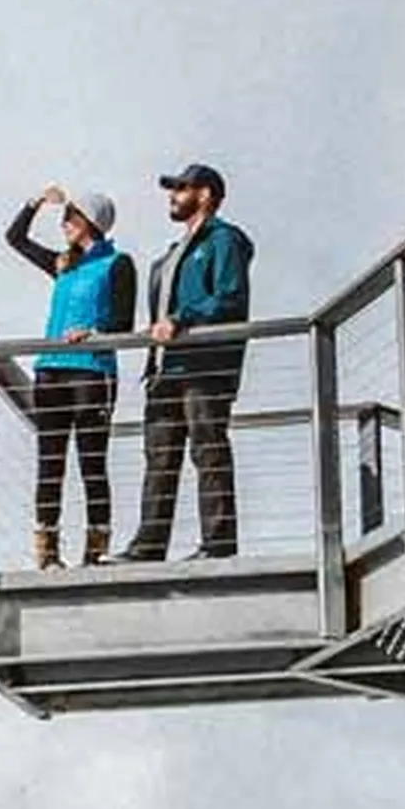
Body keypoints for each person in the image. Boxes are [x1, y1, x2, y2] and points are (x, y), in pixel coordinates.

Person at [126, 162, 254, 561]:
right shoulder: (170, 256)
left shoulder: (224, 240)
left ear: (206, 194)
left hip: (204, 366)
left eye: (181, 188)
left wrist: (182, 319)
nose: (173, 195)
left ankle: (217, 544)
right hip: (165, 369)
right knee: (159, 459)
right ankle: (148, 546)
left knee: (208, 448)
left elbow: (230, 297)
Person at [2, 184, 134, 568]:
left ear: (89, 221)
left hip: (92, 371)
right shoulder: (64, 264)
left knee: (91, 461)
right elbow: (15, 239)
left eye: (69, 217)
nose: (63, 225)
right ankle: (47, 553)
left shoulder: (117, 264)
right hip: (51, 371)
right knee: (50, 461)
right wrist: (36, 202)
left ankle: (96, 550)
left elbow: (124, 323)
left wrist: (95, 333)